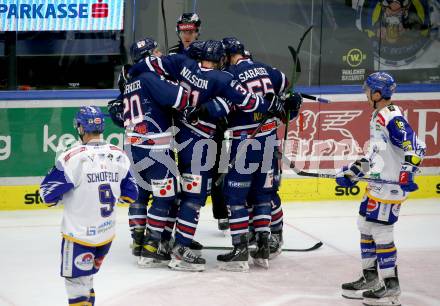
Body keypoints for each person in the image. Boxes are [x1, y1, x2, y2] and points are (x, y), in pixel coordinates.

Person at [128, 39, 291, 271]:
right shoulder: (223, 78)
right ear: (221, 59)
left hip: (181, 139)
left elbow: (152, 62)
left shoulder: (182, 63)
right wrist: (271, 105)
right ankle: (180, 250)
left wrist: (131, 73)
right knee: (194, 198)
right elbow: (247, 101)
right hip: (201, 144)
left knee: (181, 194)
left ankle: (160, 243)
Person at [109, 37, 202, 268]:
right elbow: (180, 99)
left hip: (133, 147)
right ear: (150, 55)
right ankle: (152, 246)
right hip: (155, 149)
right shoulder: (150, 78)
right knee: (166, 196)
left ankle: (138, 243)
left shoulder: (131, 81)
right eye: (157, 51)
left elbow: (118, 112)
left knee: (140, 196)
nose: (160, 54)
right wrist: (179, 82)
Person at [337, 72, 426, 306]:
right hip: (377, 185)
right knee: (364, 225)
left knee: (381, 232)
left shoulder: (392, 117)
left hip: (390, 189)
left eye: (368, 91)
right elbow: (374, 154)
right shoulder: (378, 116)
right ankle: (370, 277)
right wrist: (353, 173)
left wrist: (408, 172)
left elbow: (417, 148)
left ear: (377, 94)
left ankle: (390, 287)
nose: (365, 95)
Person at [216, 37, 301, 271]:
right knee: (263, 195)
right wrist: (291, 102)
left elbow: (221, 110)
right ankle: (263, 248)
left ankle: (240, 251)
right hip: (269, 142)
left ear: (228, 56)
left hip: (245, 143)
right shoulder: (266, 69)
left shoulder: (230, 76)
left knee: (235, 197)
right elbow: (287, 91)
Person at [40, 106, 138, 306]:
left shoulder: (72, 158)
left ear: (80, 128)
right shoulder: (119, 155)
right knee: (87, 281)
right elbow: (131, 195)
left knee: (77, 287)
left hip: (79, 237)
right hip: (105, 236)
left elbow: (46, 196)